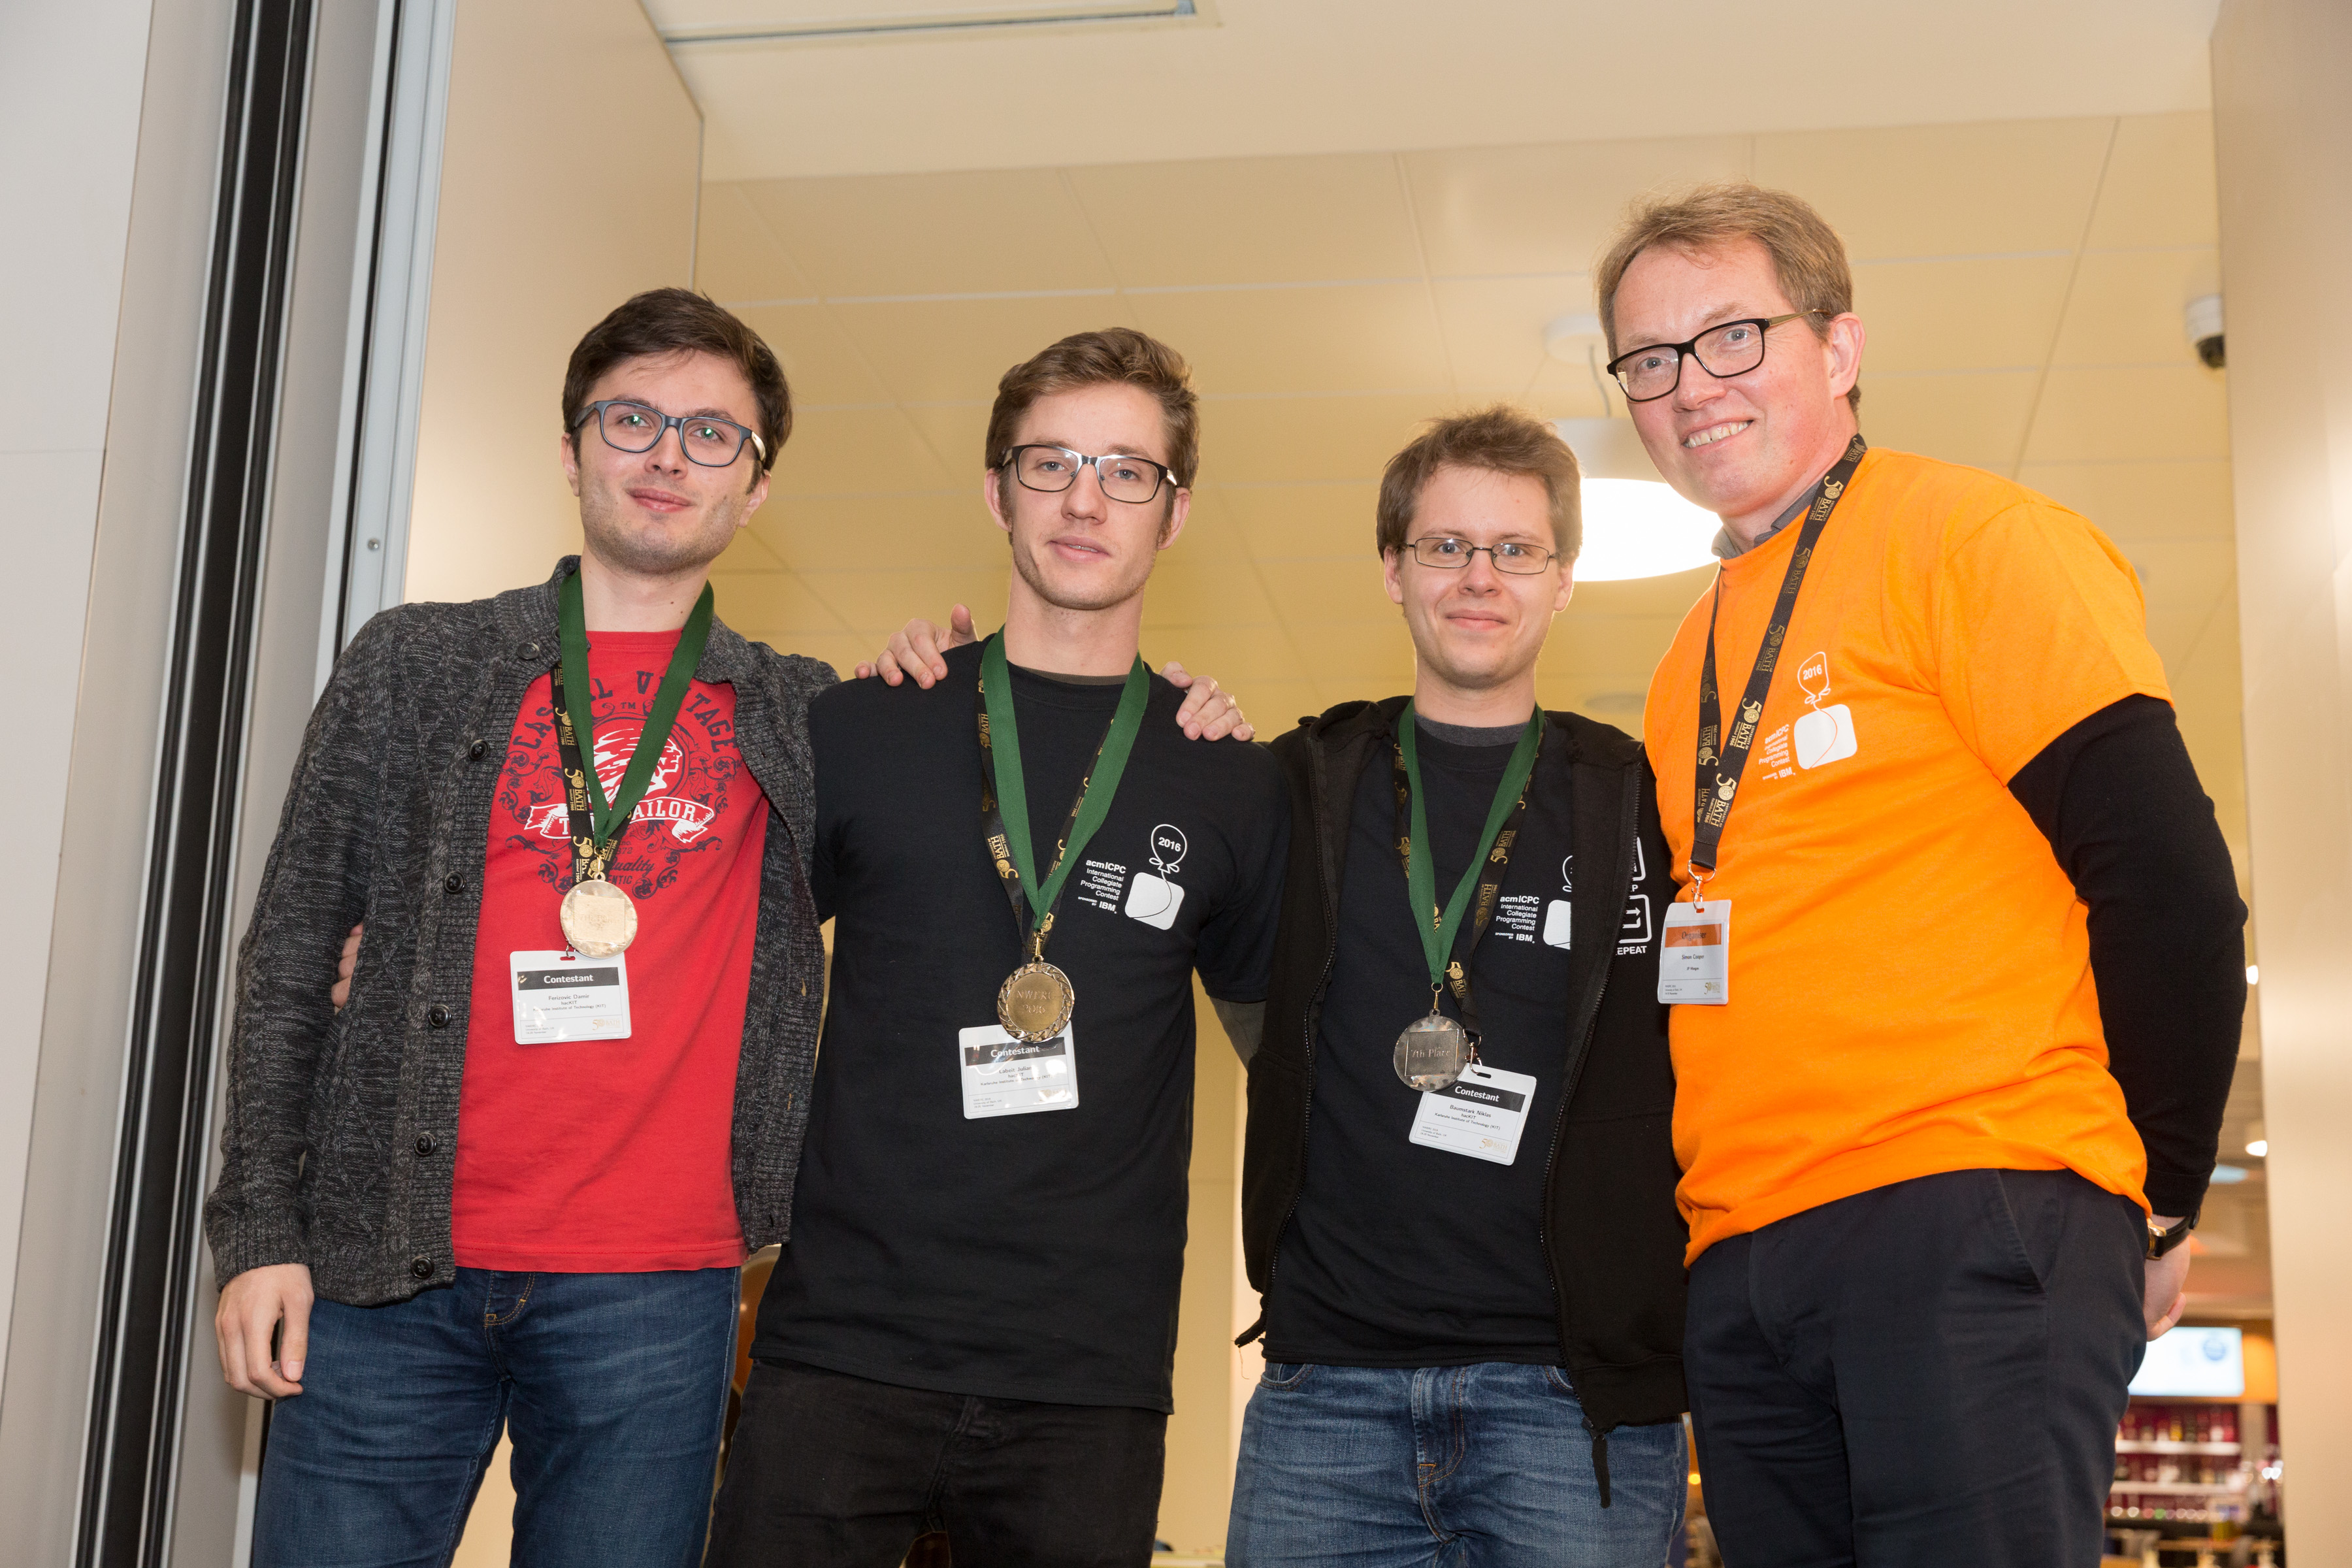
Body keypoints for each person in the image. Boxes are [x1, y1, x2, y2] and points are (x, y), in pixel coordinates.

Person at [1599, 183, 2246, 1565]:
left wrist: (2162, 1198)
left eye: (1731, 336)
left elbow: (2170, 886)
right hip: (1747, 1254)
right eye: (1647, 359)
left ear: (1840, 347)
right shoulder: (1680, 666)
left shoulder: (1973, 540)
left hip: (1969, 1201)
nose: (1689, 385)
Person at [204, 287, 832, 1566]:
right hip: (385, 1269)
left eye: (712, 434)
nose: (667, 456)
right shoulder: (414, 663)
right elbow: (292, 953)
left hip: (659, 1287)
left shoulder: (805, 715)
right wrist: (260, 1231)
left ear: (757, 487)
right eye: (631, 418)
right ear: (570, 447)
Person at [704, 329, 1287, 1567]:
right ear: (995, 490)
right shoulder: (864, 726)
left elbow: (1286, 1057)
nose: (1085, 499)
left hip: (1086, 1378)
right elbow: (711, 963)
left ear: (1175, 513)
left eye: (1128, 471)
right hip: (840, 1346)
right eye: (1050, 463)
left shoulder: (1229, 779)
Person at [1224, 407, 1692, 1567]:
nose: (1480, 577)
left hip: (1576, 1404)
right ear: (1394, 569)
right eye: (1445, 546)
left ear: (1563, 579)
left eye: (1515, 549)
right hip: (1327, 1396)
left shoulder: (1646, 804)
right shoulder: (1297, 784)